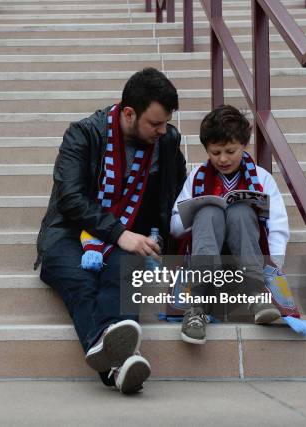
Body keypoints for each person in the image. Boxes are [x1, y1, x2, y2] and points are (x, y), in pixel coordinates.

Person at [34, 68, 187, 394]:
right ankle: (123, 360)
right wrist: (119, 233)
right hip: (69, 233)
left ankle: (115, 365)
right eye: (155, 123)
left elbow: (175, 192)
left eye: (165, 123)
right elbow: (71, 198)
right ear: (129, 113)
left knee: (124, 269)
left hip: (127, 237)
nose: (163, 130)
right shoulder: (83, 134)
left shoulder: (167, 141)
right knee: (79, 277)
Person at [170, 105, 289, 345]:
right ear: (206, 150)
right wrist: (195, 214)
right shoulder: (196, 177)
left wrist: (274, 265)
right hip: (206, 249)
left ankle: (257, 295)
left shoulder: (261, 177)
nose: (223, 159)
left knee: (241, 211)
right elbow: (174, 225)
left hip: (247, 253)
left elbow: (277, 225)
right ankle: (197, 308)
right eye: (215, 152)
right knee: (209, 212)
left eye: (230, 151)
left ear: (244, 145)